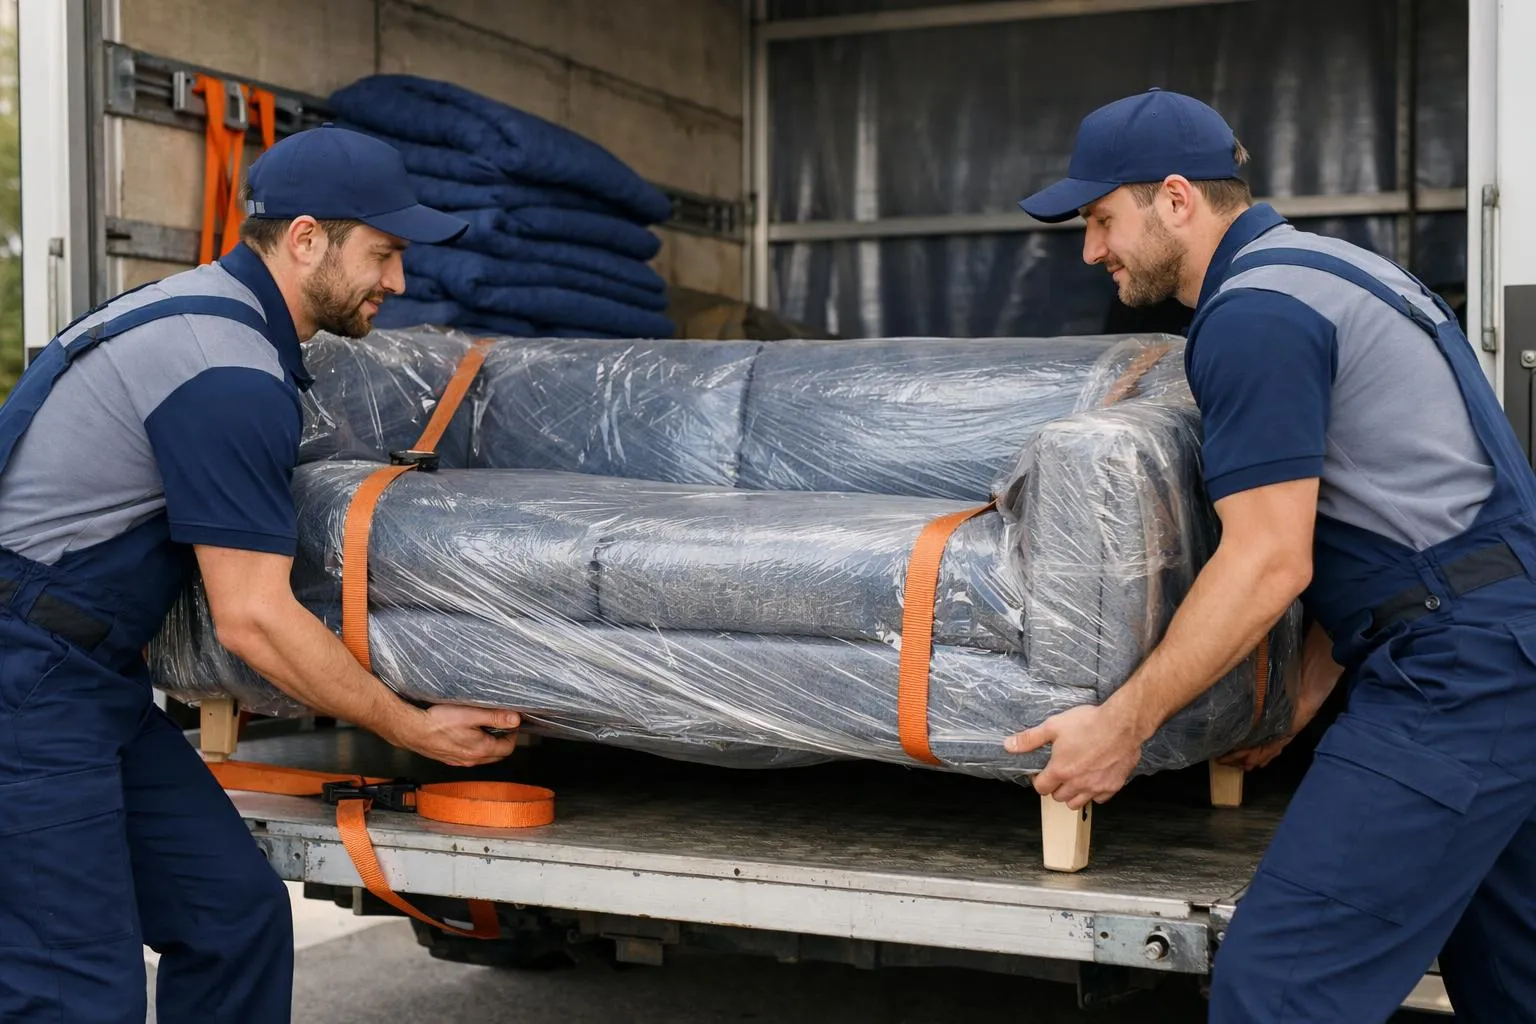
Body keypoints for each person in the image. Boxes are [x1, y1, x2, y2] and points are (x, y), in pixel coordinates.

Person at [1008, 88, 1536, 1023]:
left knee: (1281, 990)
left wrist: (1121, 727)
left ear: (1176, 199)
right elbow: (1388, 514)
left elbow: (1268, 560)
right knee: (1513, 981)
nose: (1091, 252)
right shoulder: (1338, 271)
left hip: (1461, 682)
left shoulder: (1254, 314)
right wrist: (1309, 686)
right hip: (1501, 649)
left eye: (1100, 220)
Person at [0, 125, 522, 1023]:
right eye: (385, 253)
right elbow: (253, 620)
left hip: (85, 681)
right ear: (308, 237)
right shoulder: (225, 367)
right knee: (75, 992)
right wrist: (416, 728)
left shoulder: (211, 317)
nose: (397, 283)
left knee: (233, 918)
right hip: (24, 688)